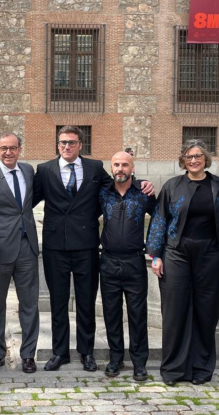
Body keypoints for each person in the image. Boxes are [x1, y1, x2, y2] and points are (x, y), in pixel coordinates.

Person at [33, 126, 154, 372]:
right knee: (58, 302)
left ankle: (86, 352)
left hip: (87, 246)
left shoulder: (94, 168)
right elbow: (29, 201)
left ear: (80, 144)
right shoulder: (44, 170)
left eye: (72, 142)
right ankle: (59, 352)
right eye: (62, 142)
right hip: (55, 247)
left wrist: (143, 183)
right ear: (58, 145)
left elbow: (120, 184)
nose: (67, 146)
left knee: (86, 302)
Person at [147, 140, 219, 386]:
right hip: (177, 254)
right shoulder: (173, 186)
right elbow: (160, 219)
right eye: (189, 157)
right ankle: (173, 369)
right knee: (174, 313)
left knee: (206, 312)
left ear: (206, 158)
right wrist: (156, 254)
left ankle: (201, 368)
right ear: (183, 160)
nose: (194, 160)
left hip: (211, 254)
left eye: (199, 156)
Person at [0, 133, 40, 374]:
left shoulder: (28, 171)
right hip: (0, 250)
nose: (8, 152)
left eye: (13, 148)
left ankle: (28, 356)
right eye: (4, 148)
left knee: (29, 305)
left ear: (20, 150)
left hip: (27, 248)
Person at [99, 151, 156, 382]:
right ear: (111, 168)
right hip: (108, 261)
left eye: (125, 165)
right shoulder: (102, 193)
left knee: (137, 314)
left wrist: (154, 249)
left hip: (134, 261)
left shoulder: (144, 193)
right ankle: (115, 358)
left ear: (132, 168)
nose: (120, 168)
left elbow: (161, 219)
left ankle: (139, 362)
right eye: (116, 165)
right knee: (111, 313)